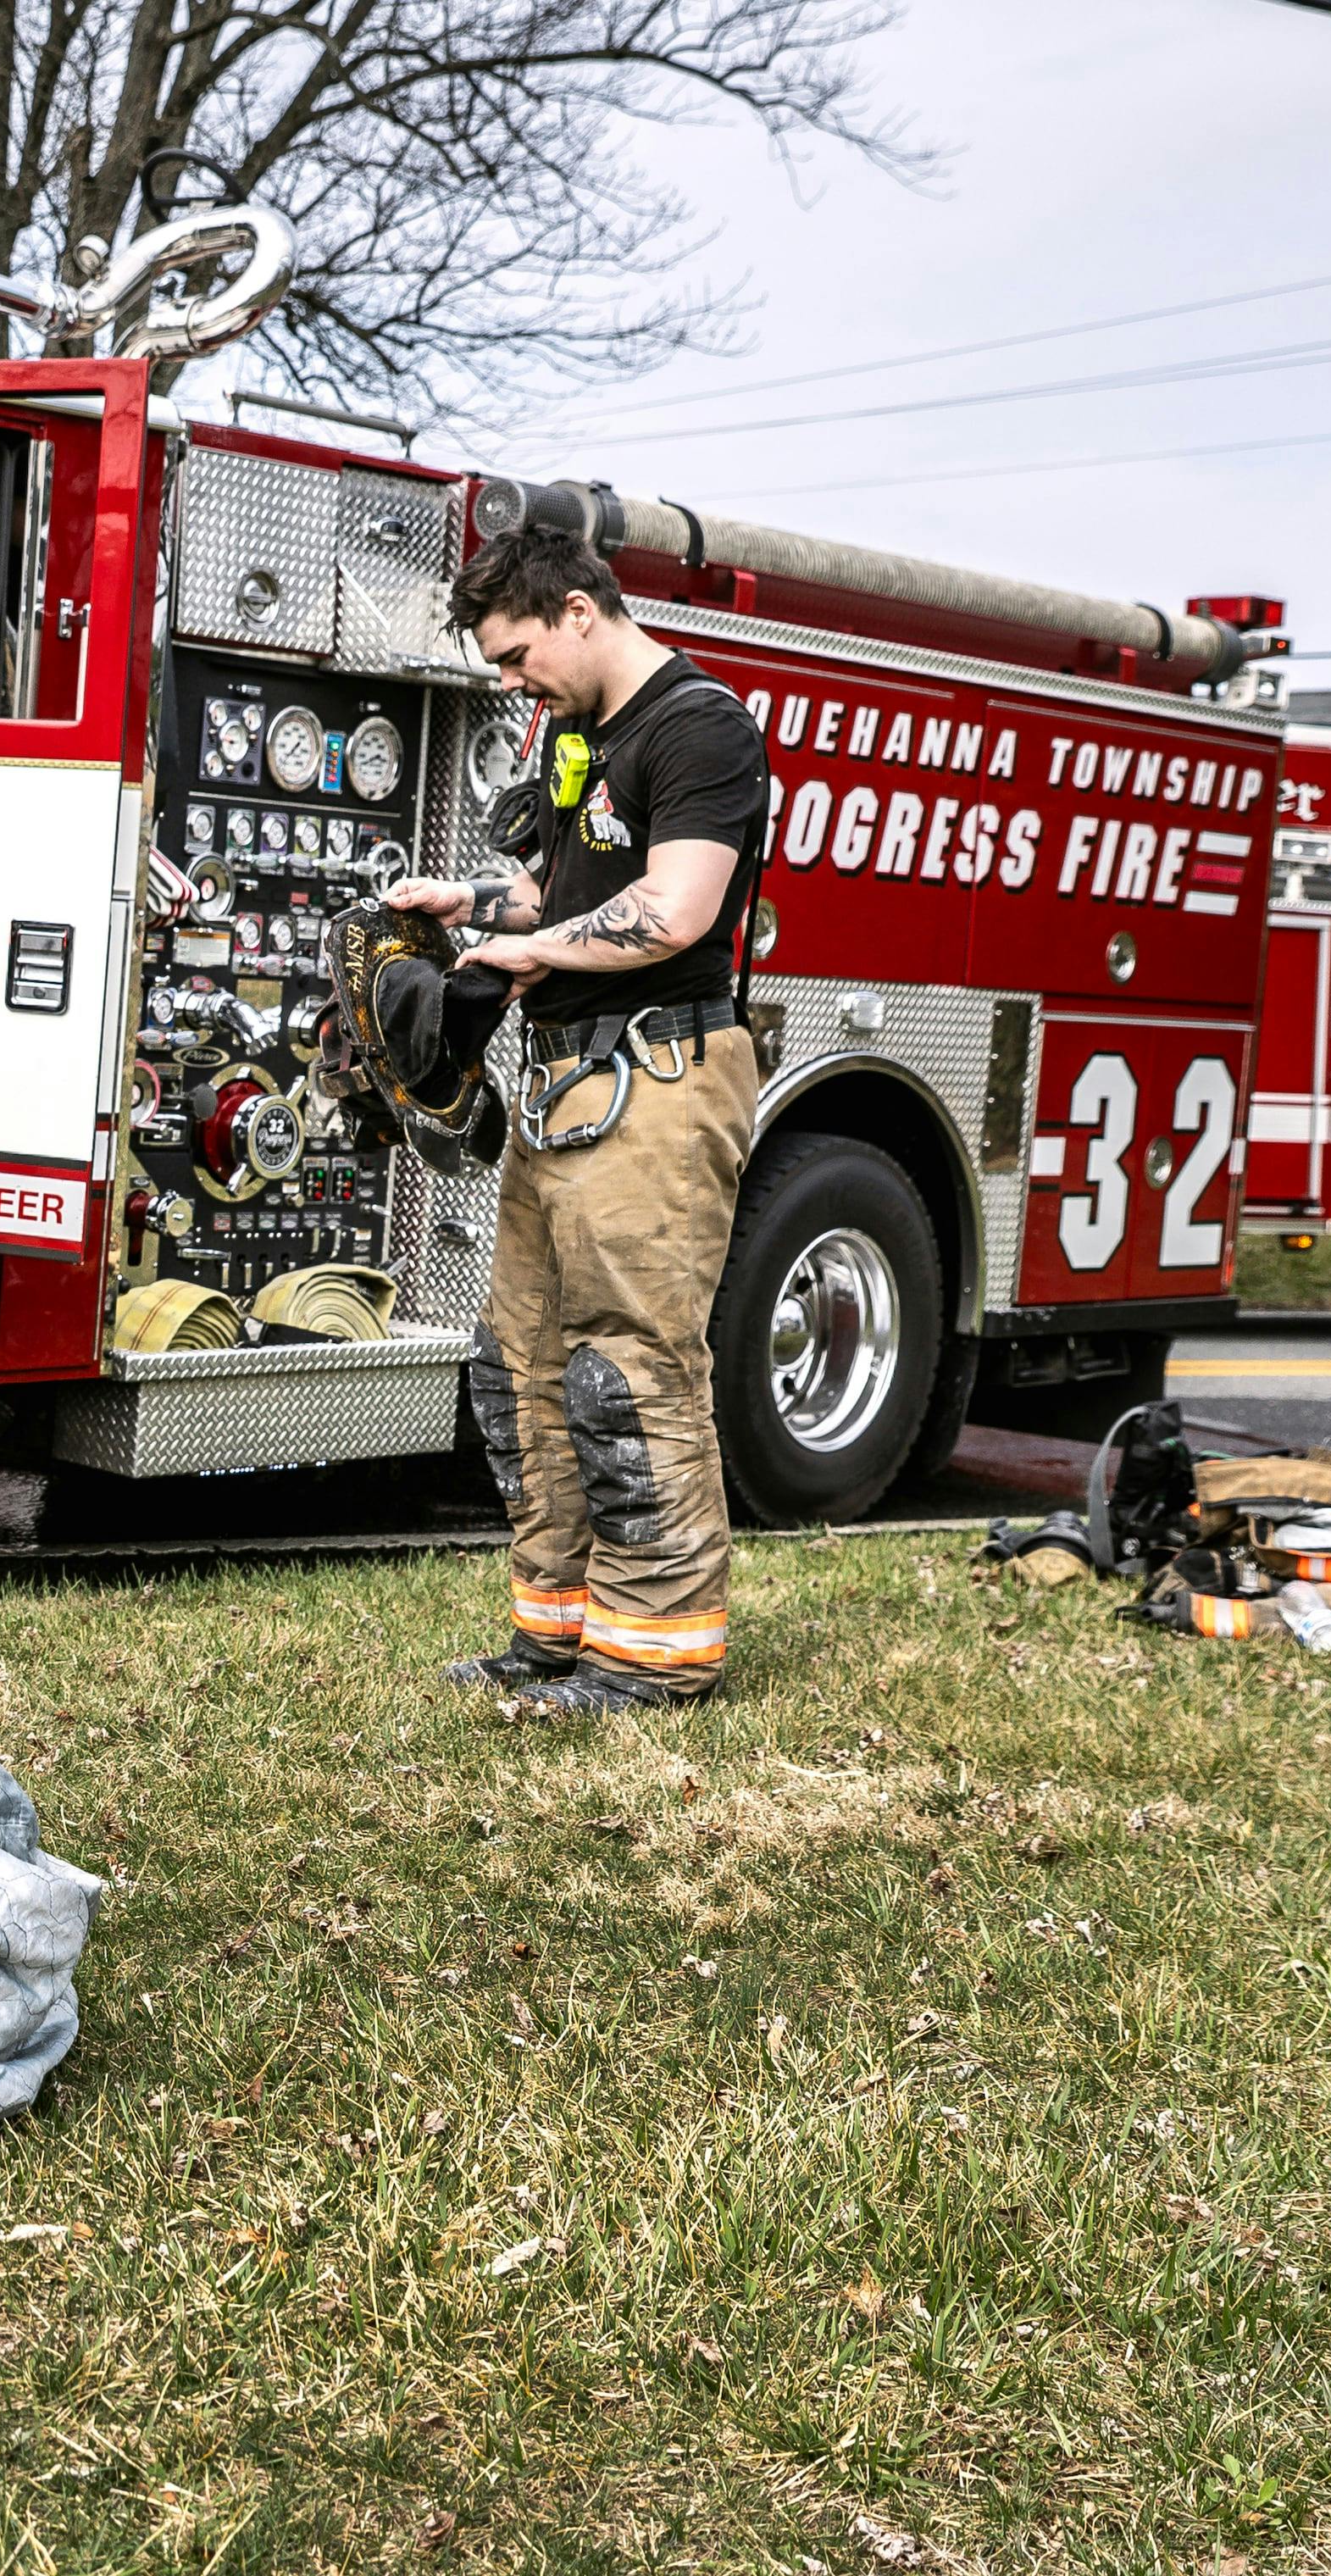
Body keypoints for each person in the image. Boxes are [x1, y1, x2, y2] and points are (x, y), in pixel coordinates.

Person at [383, 525, 771, 1718]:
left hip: (658, 1079)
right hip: (565, 1084)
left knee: (630, 1367)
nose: (509, 680)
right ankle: (557, 1632)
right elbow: (565, 894)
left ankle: (657, 1654)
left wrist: (529, 947)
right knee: (525, 1365)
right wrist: (469, 902)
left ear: (578, 612)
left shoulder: (699, 726)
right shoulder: (574, 738)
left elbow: (673, 910)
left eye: (515, 654)